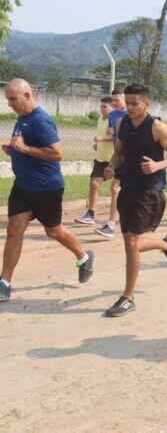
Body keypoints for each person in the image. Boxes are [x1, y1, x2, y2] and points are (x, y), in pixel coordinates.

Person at [0, 79, 95, 302]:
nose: (10, 103)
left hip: (46, 189)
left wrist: (25, 149)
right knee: (14, 230)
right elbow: (27, 149)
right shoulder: (22, 119)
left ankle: (83, 256)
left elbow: (57, 153)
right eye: (8, 99)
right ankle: (4, 282)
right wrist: (14, 151)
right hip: (23, 186)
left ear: (27, 95)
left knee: (54, 231)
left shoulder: (41, 120)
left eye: (13, 99)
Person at [103, 84, 167, 317]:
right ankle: (166, 245)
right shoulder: (122, 124)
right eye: (127, 103)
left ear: (146, 103)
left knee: (132, 244)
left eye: (134, 103)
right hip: (127, 187)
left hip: (149, 191)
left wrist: (158, 165)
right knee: (131, 243)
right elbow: (119, 153)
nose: (130, 107)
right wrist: (110, 167)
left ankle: (127, 297)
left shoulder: (157, 127)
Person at [75, 96, 115, 225]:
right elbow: (103, 136)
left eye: (105, 106)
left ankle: (115, 219)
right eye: (101, 106)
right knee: (94, 184)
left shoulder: (114, 120)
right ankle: (90, 214)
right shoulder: (100, 119)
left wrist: (101, 139)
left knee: (117, 189)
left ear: (112, 108)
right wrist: (98, 144)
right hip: (101, 158)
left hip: (114, 160)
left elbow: (116, 137)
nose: (102, 109)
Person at [95, 89, 128, 239]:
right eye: (113, 100)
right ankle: (111, 224)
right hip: (119, 157)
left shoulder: (131, 114)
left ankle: (115, 222)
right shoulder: (113, 115)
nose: (114, 103)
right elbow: (112, 134)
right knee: (115, 189)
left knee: (122, 189)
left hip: (132, 158)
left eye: (117, 100)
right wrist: (107, 135)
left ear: (124, 99)